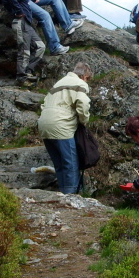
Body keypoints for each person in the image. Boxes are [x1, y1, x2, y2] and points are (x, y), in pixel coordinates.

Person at [37, 62, 93, 194]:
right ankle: (71, 196)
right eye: (88, 78)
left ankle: (62, 194)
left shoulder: (58, 84)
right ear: (84, 75)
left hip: (44, 126)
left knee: (59, 164)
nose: (88, 81)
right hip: (61, 126)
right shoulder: (79, 84)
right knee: (71, 164)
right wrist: (84, 120)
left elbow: (44, 104)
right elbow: (83, 103)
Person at [1, 0, 46, 84]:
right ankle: (22, 77)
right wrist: (18, 11)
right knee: (24, 50)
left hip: (27, 24)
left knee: (40, 46)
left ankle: (28, 71)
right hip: (21, 23)